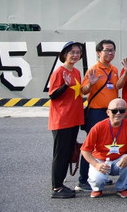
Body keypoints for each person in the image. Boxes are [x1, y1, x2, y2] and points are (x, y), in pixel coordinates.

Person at [77, 39, 119, 192]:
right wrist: (91, 83)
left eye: (112, 50)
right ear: (98, 52)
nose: (110, 53)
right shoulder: (93, 70)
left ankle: (101, 174)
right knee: (90, 145)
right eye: (107, 50)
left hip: (111, 113)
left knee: (105, 145)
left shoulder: (114, 70)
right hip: (96, 112)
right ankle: (82, 180)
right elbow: (84, 91)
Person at [80, 98, 127, 198]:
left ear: (126, 112)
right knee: (97, 179)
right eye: (114, 111)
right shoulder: (98, 127)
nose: (118, 113)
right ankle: (97, 188)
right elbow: (85, 150)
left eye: (121, 110)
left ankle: (123, 188)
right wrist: (96, 164)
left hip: (119, 160)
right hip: (101, 160)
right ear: (108, 112)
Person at [49, 41, 85, 199]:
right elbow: (52, 95)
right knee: (60, 154)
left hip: (73, 118)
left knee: (68, 152)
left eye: (78, 52)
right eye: (72, 52)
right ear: (64, 54)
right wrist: (64, 85)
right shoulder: (59, 72)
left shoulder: (76, 72)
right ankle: (56, 187)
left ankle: (61, 184)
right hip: (62, 119)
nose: (75, 55)